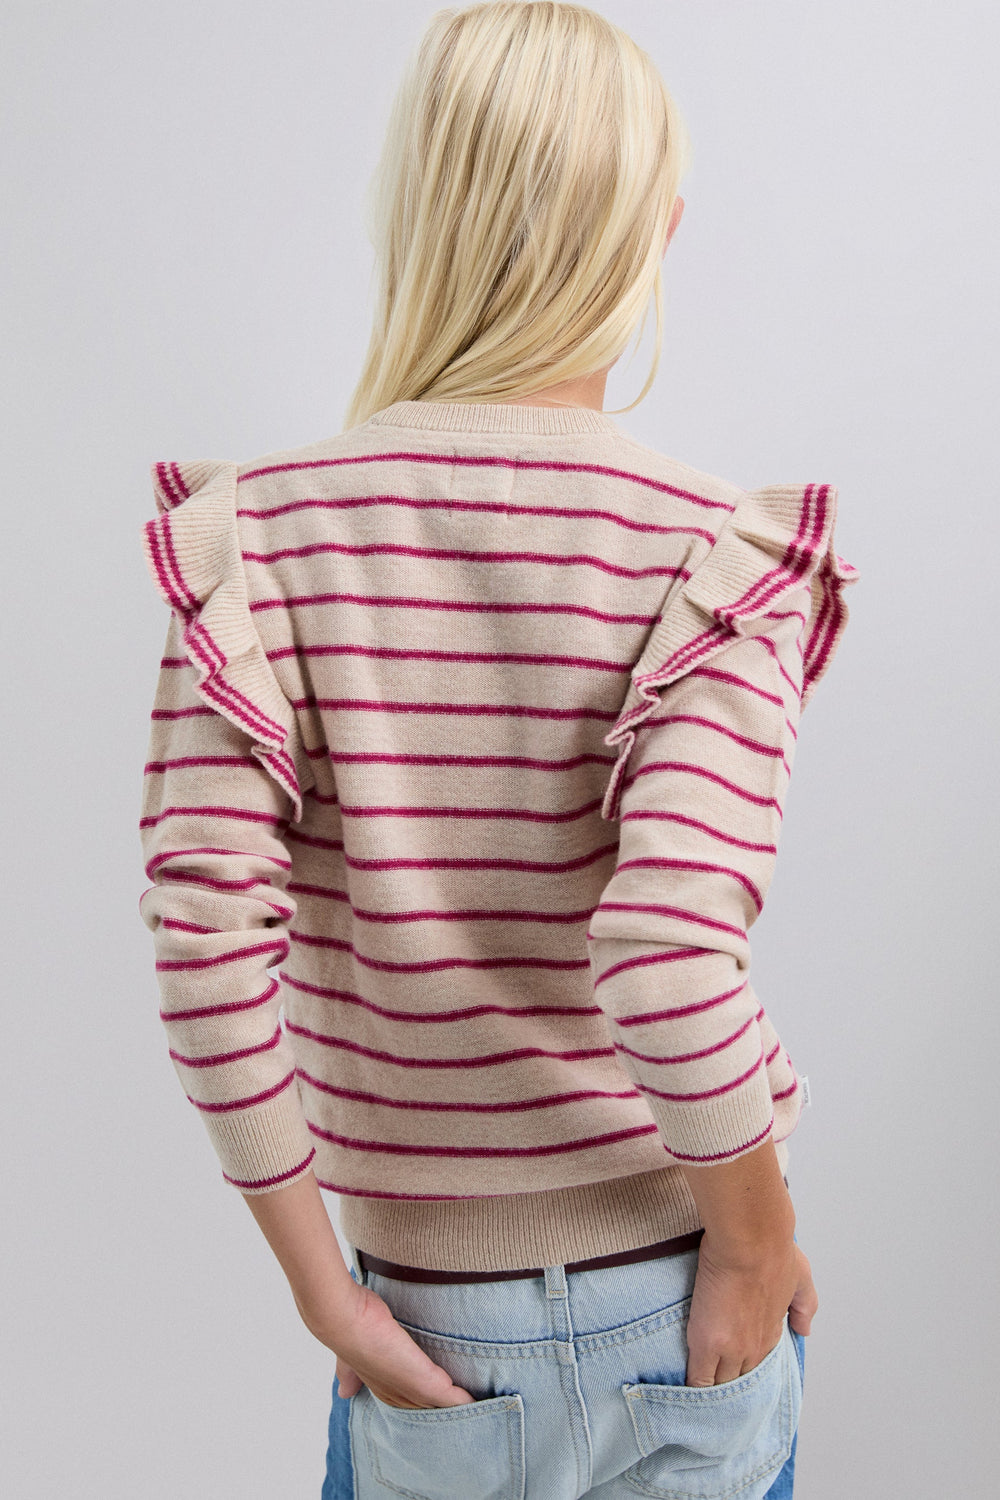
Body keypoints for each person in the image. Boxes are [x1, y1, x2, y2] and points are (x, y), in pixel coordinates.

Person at [137, 4, 858, 1496]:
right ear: (654, 232)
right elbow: (669, 954)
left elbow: (204, 941)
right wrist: (756, 1238)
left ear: (414, 213)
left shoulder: (260, 543)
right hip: (687, 1289)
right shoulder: (710, 559)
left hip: (426, 1324)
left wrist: (322, 1291)